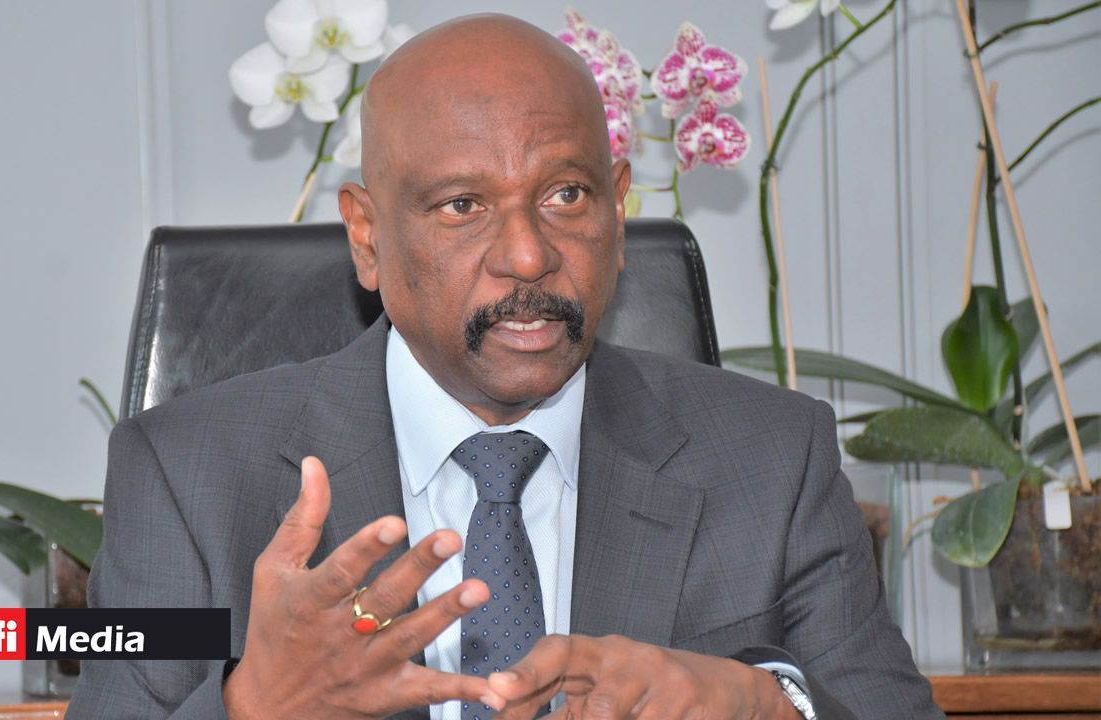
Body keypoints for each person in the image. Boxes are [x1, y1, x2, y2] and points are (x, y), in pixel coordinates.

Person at [69, 13, 942, 720]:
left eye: (566, 195)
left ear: (618, 210)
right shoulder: (189, 477)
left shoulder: (770, 459)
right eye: (462, 205)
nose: (528, 255)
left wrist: (765, 705)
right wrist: (253, 708)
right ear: (367, 237)